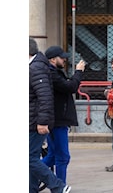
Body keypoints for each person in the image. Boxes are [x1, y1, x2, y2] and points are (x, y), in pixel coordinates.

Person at [29, 38, 71, 193]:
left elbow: (46, 96)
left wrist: (42, 121)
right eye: (63, 58)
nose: (65, 61)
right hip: (41, 119)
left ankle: (59, 185)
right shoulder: (39, 68)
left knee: (32, 158)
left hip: (40, 120)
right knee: (38, 157)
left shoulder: (38, 68)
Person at [42, 46, 85, 183]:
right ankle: (60, 186)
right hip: (57, 120)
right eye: (62, 58)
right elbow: (70, 87)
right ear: (53, 59)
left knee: (53, 156)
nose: (65, 60)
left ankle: (32, 175)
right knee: (62, 157)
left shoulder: (53, 72)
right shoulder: (52, 73)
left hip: (56, 118)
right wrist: (78, 72)